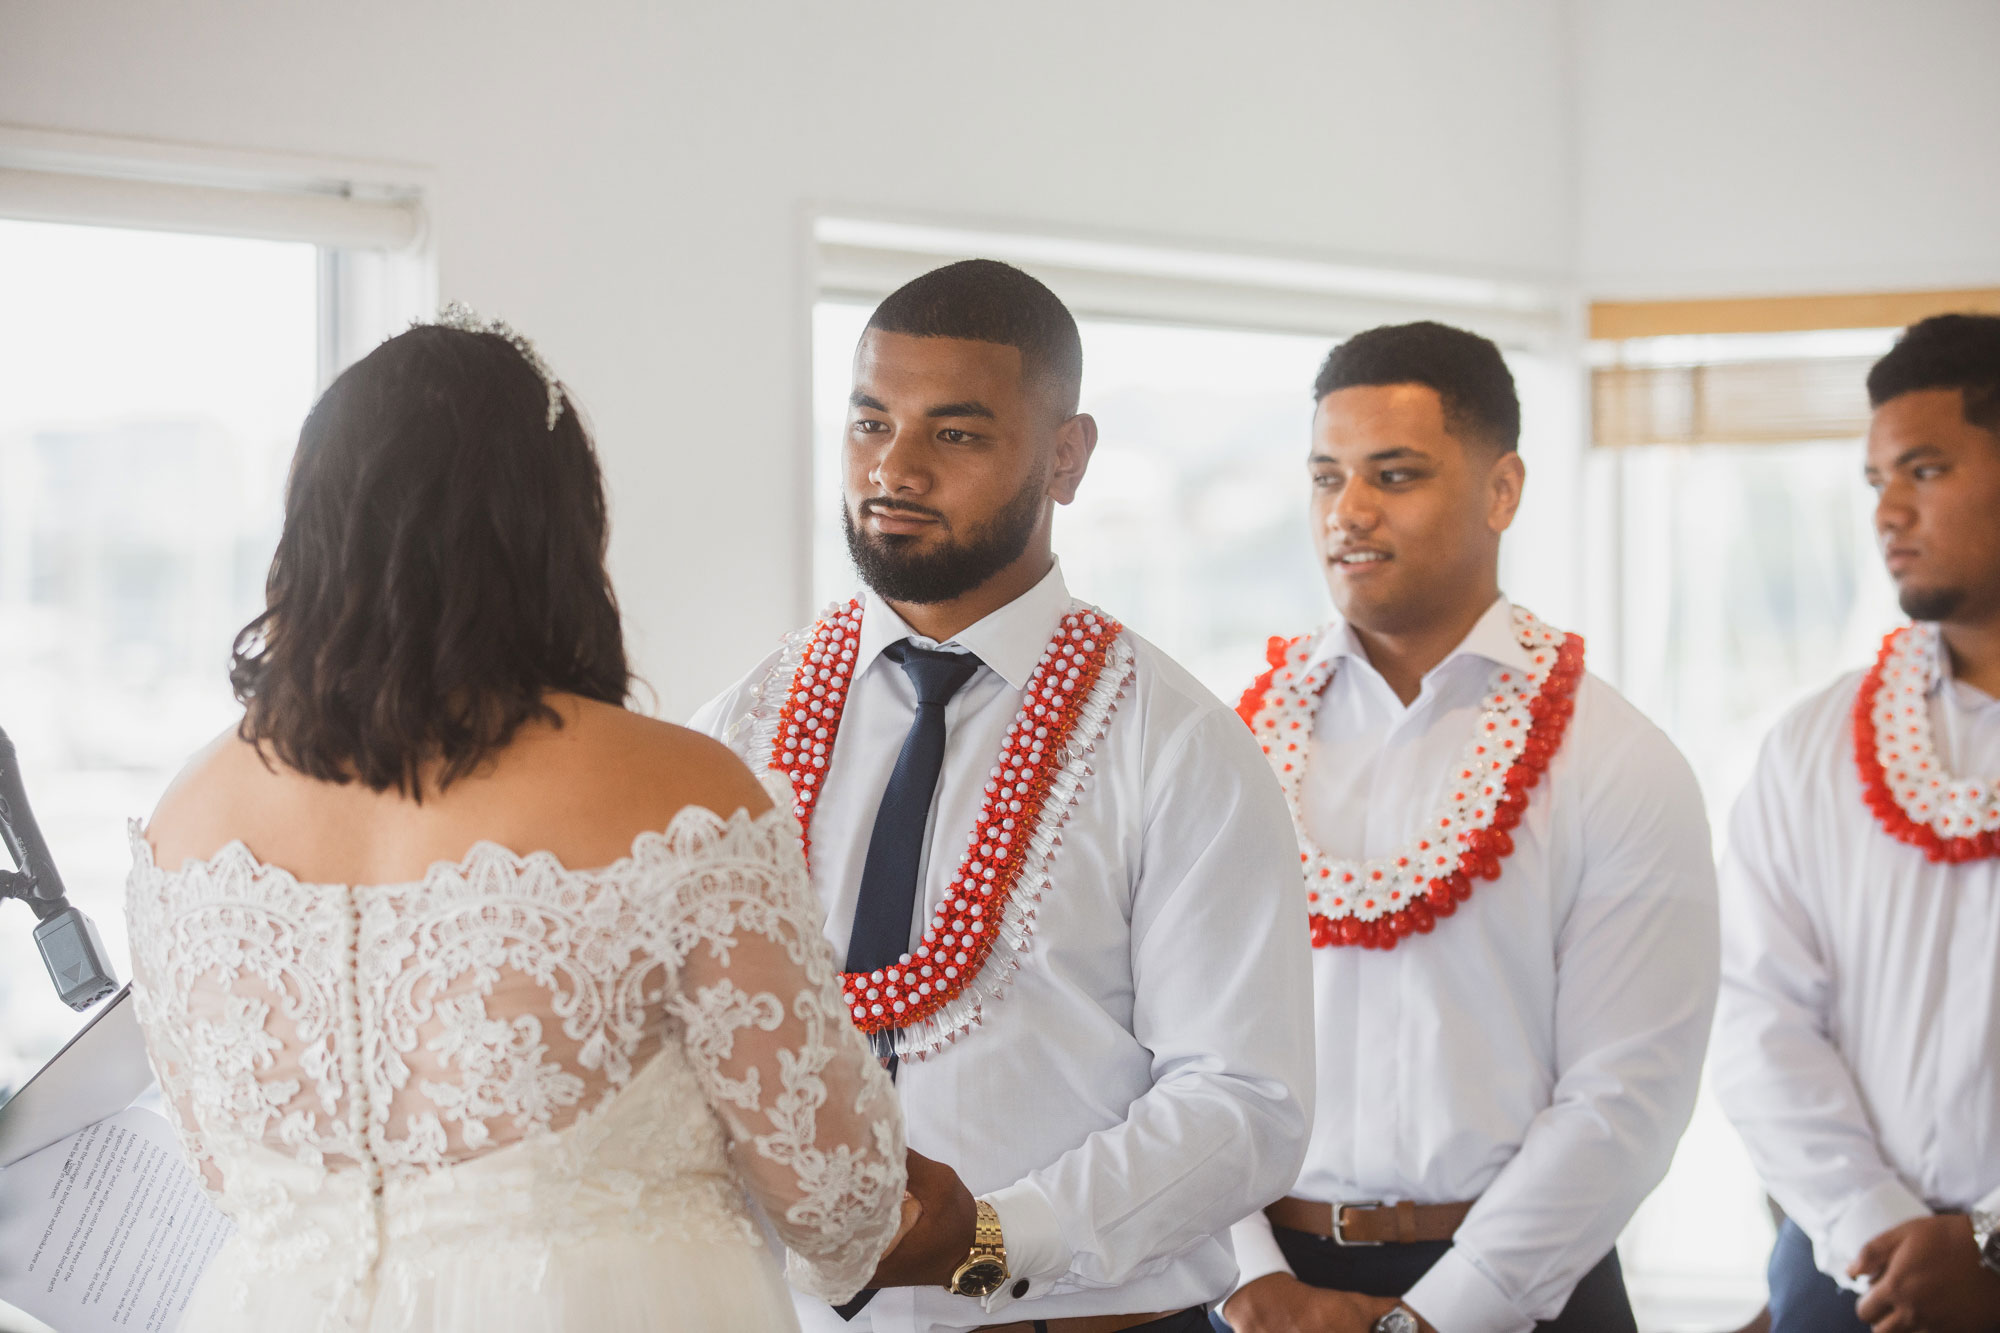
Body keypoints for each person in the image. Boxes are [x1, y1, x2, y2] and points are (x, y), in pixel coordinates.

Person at [125, 308, 910, 1333]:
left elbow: (226, 1175)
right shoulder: (676, 799)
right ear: (555, 532)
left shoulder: (186, 820)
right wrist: (988, 1248)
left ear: (309, 527)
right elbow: (838, 1205)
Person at [692, 259, 1315, 1333]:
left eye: (956, 433)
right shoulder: (738, 728)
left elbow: (1243, 1102)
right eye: (868, 422)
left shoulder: (1176, 745)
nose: (893, 468)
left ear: (1065, 457)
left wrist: (993, 1238)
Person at [1219, 322, 1719, 1333]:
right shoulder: (1231, 747)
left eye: (1392, 474)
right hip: (1257, 1291)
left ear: (1501, 490)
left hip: (1522, 1289)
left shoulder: (1616, 757)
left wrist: (1436, 1316)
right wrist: (1245, 1276)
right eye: (1325, 477)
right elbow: (1174, 1042)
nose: (1346, 512)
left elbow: (1624, 1099)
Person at [1710, 313, 2000, 1333]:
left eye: (1922, 469)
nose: (1886, 510)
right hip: (1847, 1271)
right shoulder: (1809, 744)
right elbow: (1755, 1016)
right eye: (1873, 480)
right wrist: (1875, 1225)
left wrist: (1991, 1249)